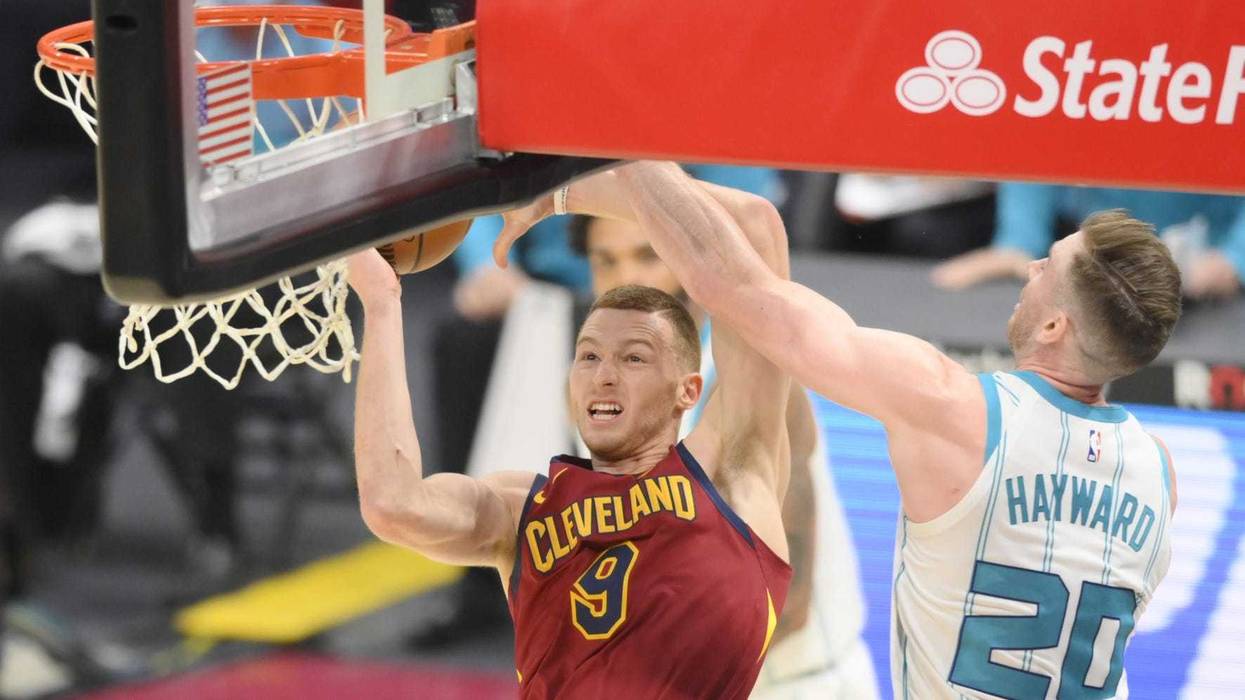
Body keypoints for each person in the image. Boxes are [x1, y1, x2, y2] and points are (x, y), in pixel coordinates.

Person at [497, 163, 1178, 698]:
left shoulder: (950, 405)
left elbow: (738, 284)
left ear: (1055, 324)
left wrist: (583, 167)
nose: (1029, 267)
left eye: (1047, 265)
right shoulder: (1158, 473)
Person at [347, 181, 795, 697]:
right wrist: (382, 303)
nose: (604, 375)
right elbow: (393, 504)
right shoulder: (524, 509)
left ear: (687, 390)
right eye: (589, 356)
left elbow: (756, 226)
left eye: (634, 357)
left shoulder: (731, 473)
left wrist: (559, 195)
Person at [569, 214, 878, 697]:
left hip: (800, 684)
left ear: (686, 262)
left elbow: (788, 601)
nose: (626, 280)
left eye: (647, 256)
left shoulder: (748, 384)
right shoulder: (594, 396)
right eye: (605, 261)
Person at [932, 182, 1244, 299]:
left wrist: (1235, 257)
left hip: (1204, 260)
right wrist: (1018, 241)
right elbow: (1042, 131)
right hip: (1099, 254)